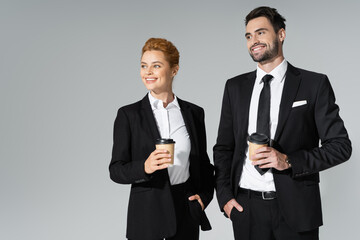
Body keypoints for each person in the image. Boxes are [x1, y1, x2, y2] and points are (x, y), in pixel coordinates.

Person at [213, 6, 352, 240]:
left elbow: (340, 146)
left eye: (260, 33)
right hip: (246, 210)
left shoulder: (313, 84)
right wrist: (225, 198)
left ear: (281, 34)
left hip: (297, 209)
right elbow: (224, 148)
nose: (253, 41)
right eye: (248, 36)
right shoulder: (235, 87)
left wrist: (288, 161)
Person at [109, 38, 214, 240]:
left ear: (174, 70)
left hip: (186, 214)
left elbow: (203, 164)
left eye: (156, 66)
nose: (148, 72)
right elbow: (116, 170)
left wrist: (204, 197)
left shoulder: (194, 113)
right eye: (143, 66)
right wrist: (145, 167)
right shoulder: (128, 115)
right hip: (147, 218)